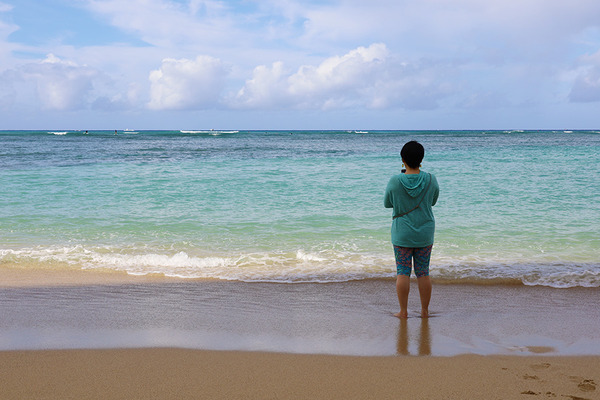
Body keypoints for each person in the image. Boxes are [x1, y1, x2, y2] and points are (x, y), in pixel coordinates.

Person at [384, 141, 439, 319]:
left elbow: (387, 203)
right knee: (423, 272)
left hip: (402, 234)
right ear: (421, 159)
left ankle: (403, 311)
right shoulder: (431, 179)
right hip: (424, 232)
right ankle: (424, 311)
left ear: (403, 159)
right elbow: (433, 201)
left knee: (403, 271)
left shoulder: (395, 180)